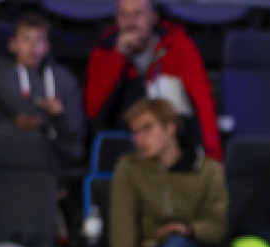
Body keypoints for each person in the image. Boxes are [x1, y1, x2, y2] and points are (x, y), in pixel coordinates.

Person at [107, 98, 227, 247]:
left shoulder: (207, 170)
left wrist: (188, 230)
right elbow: (122, 228)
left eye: (147, 128)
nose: (139, 139)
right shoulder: (130, 167)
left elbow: (217, 226)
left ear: (170, 128)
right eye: (135, 132)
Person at [85, 0, 221, 159]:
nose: (130, 23)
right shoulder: (104, 50)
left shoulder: (177, 46)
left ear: (153, 17)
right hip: (123, 143)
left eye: (137, 15)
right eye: (124, 15)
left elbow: (202, 102)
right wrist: (118, 57)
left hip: (172, 141)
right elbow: (93, 109)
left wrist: (213, 153)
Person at [0, 12, 86, 165]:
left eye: (39, 40)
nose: (32, 47)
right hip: (10, 148)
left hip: (54, 152)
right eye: (25, 40)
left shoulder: (65, 80)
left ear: (48, 45)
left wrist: (58, 116)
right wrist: (15, 125)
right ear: (13, 45)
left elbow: (76, 132)